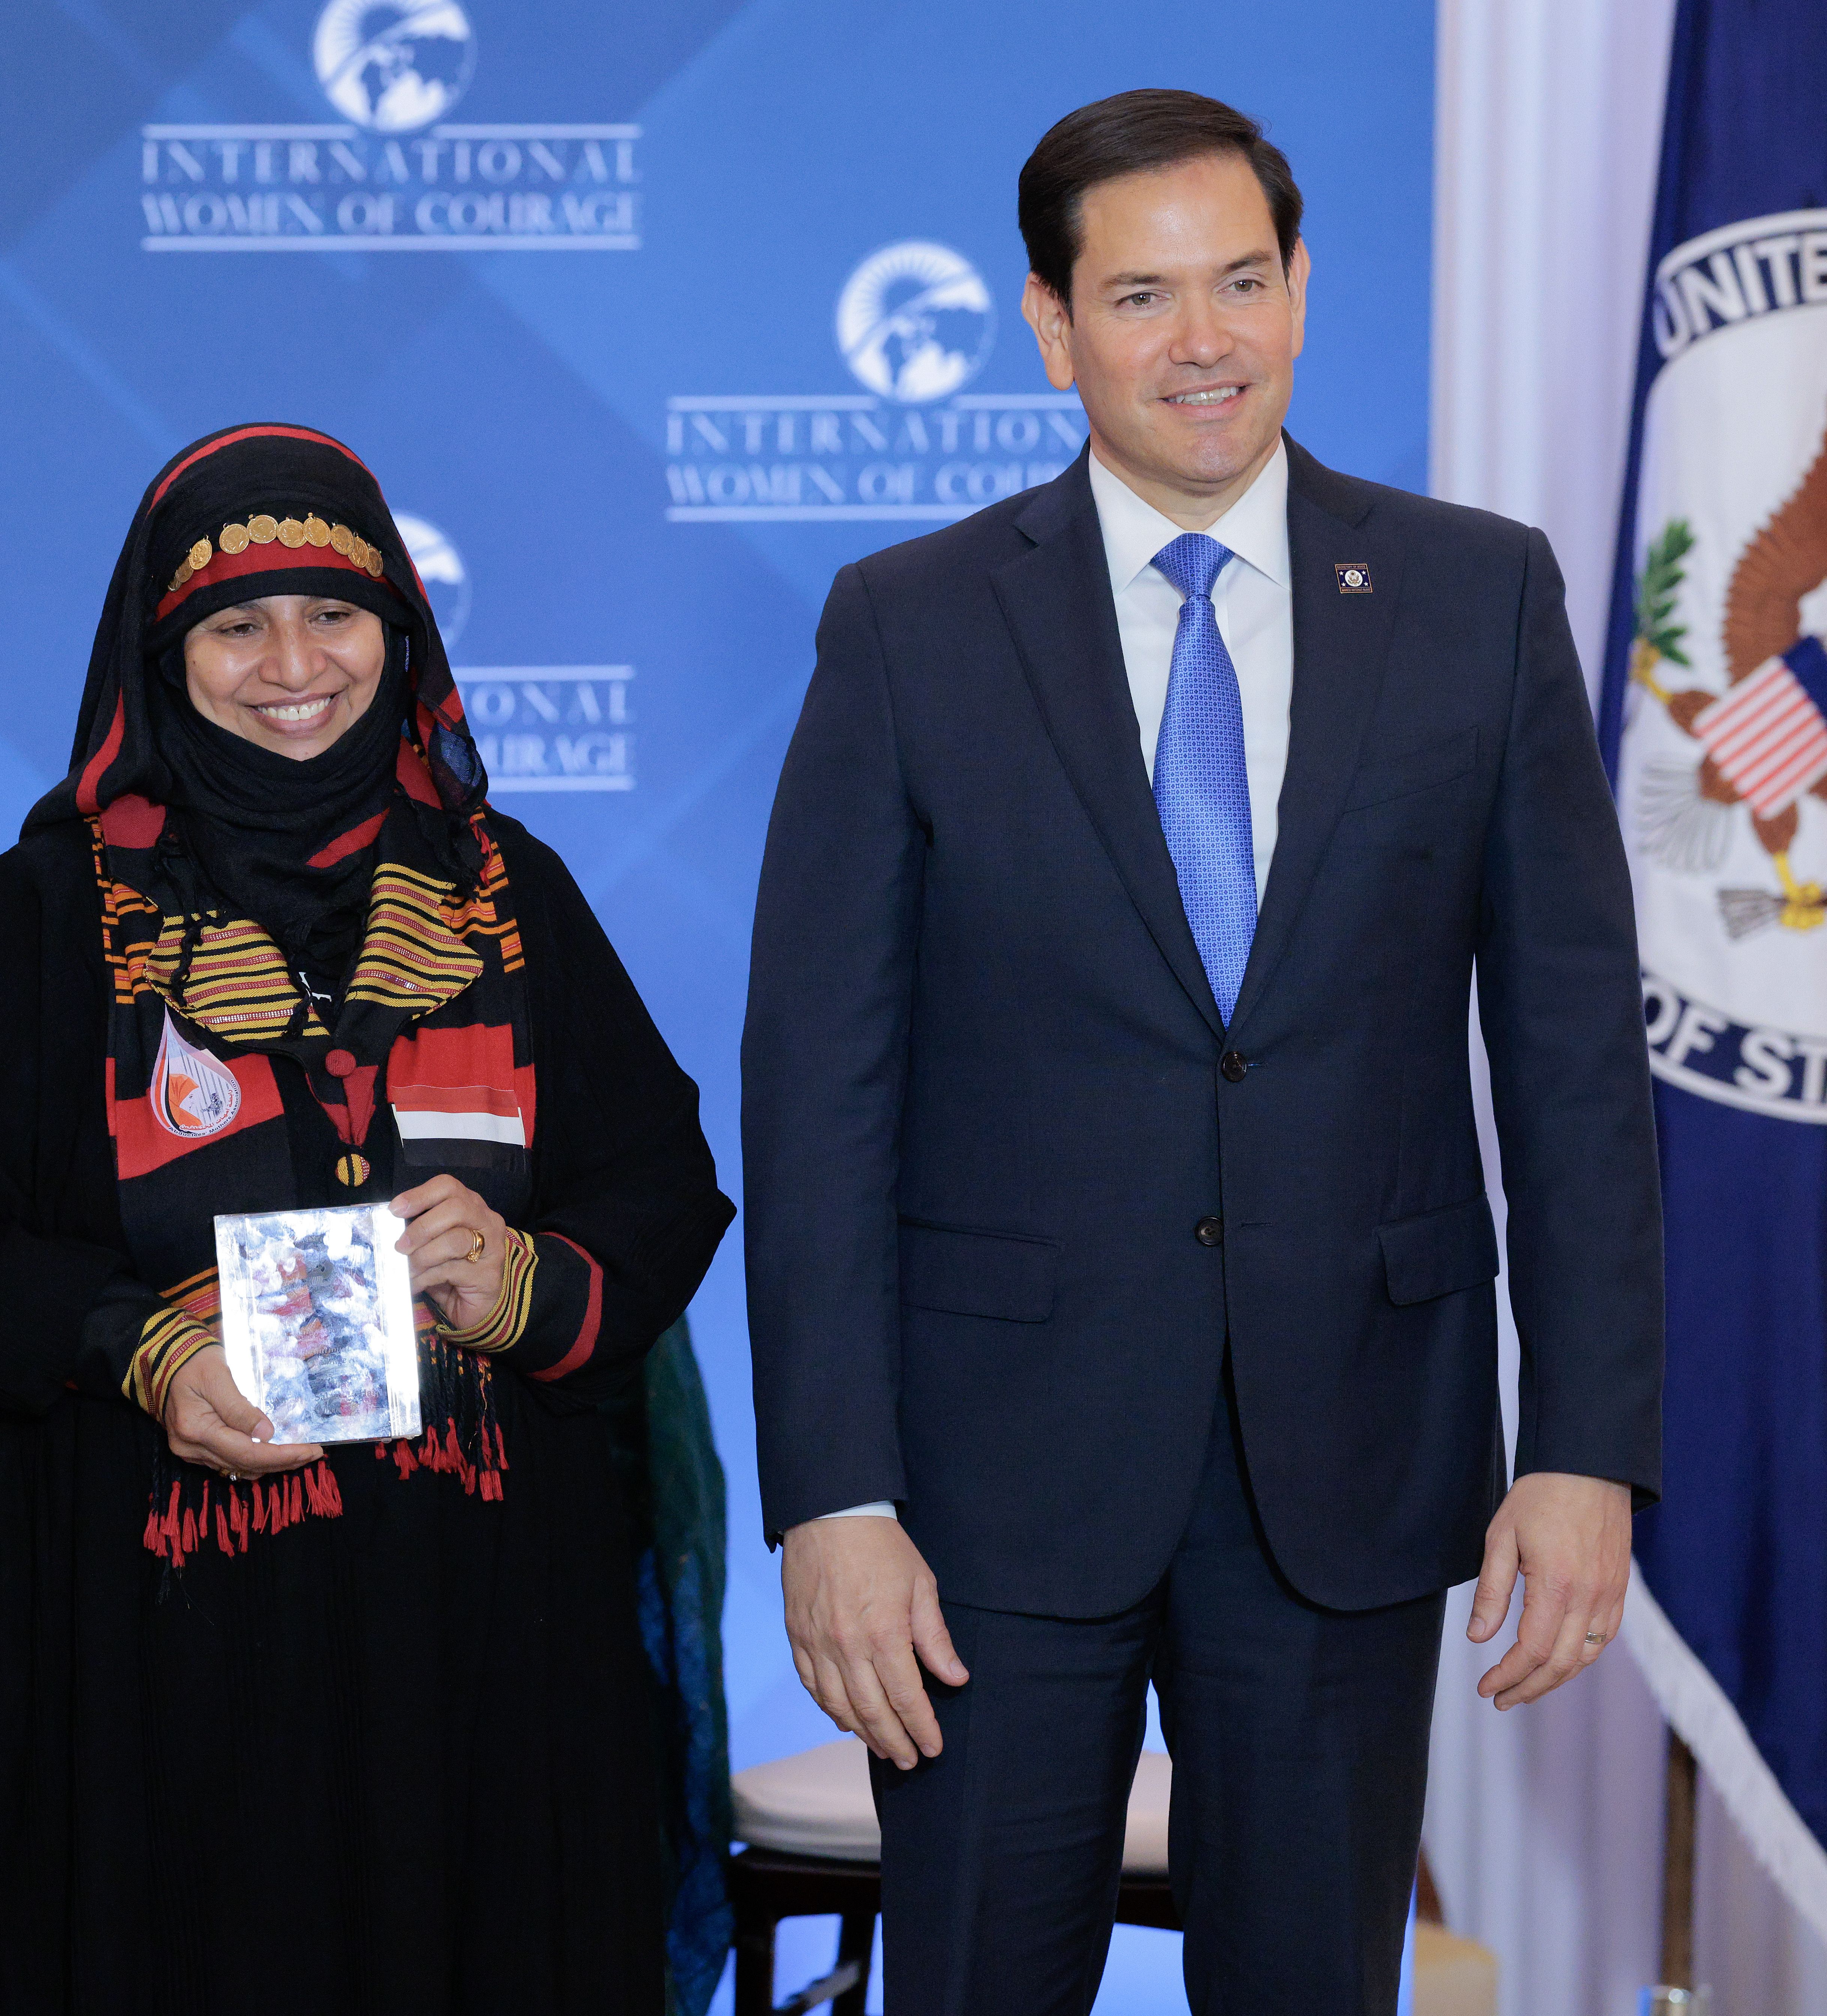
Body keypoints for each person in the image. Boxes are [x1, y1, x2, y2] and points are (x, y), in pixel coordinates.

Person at [742, 89, 1664, 2014]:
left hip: (1353, 1460)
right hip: (989, 1495)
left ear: (1303, 286)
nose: (1204, 341)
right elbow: (820, 1095)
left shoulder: (1479, 595)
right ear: (1050, 323)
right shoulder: (908, 626)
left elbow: (1574, 1060)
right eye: (1142, 296)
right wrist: (833, 1497)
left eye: (1243, 281)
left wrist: (1587, 1444)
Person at [0, 422, 733, 2016]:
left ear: (401, 633)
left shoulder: (509, 892)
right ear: (161, 654)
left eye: (335, 614)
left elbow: (661, 1179)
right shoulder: (47, 911)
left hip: (467, 1657)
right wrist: (138, 1345)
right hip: (129, 1664)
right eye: (237, 624)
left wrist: (527, 1280)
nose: (295, 665)